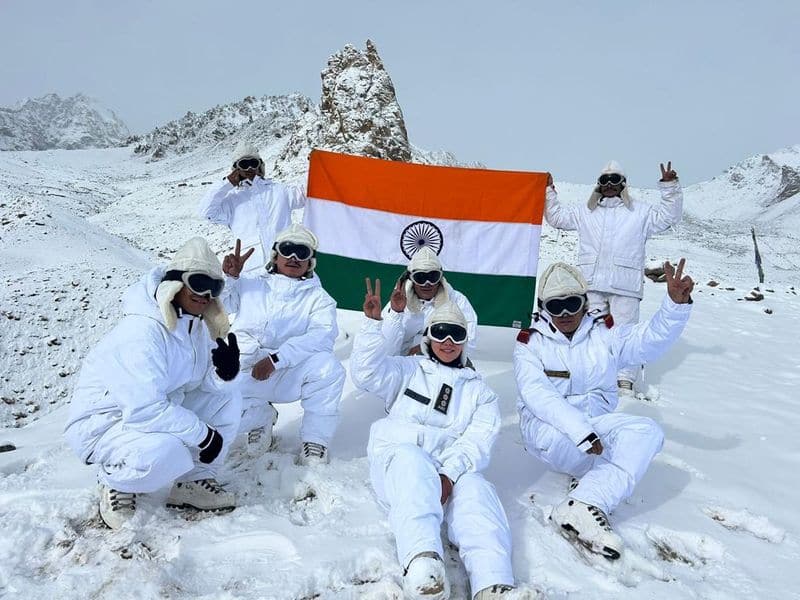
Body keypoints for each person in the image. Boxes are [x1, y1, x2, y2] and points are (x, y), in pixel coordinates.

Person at [513, 259, 694, 559]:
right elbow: (539, 396)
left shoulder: (604, 334)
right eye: (556, 307)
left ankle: (584, 501)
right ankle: (593, 478)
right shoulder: (531, 344)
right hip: (550, 431)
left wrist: (675, 306)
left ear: (584, 301)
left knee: (648, 432)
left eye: (573, 303)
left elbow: (646, 342)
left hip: (597, 424)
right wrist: (581, 431)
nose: (567, 313)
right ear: (544, 307)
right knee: (612, 455)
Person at [353, 282, 521, 600]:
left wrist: (449, 473)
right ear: (428, 336)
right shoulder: (407, 370)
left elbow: (478, 440)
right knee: (412, 462)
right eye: (440, 332)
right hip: (399, 461)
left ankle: (494, 583)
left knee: (477, 489)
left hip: (448, 467)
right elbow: (365, 374)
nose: (447, 341)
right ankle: (423, 566)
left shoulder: (479, 392)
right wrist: (377, 324)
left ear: (464, 341)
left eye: (455, 334)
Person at [64, 238, 242, 530]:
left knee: (229, 398)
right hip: (104, 425)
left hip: (155, 411)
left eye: (215, 287)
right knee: (168, 450)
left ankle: (192, 482)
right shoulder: (142, 331)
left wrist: (222, 373)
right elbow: (145, 408)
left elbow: (194, 383)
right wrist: (203, 435)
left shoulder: (192, 325)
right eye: (198, 283)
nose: (206, 294)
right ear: (175, 283)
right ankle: (114, 482)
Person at [544, 161, 683, 394]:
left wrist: (670, 187)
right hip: (591, 283)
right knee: (591, 332)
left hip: (625, 285)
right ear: (598, 184)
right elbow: (557, 218)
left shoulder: (641, 212)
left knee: (625, 333)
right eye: (604, 180)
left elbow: (669, 217)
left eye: (615, 179)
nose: (609, 184)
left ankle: (624, 380)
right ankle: (593, 375)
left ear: (623, 184)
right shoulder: (584, 212)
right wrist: (549, 191)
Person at [221, 224, 345, 465]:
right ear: (275, 256)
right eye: (288, 250)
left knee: (329, 369)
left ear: (310, 262)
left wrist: (276, 359)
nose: (294, 257)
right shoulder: (249, 284)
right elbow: (220, 308)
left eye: (302, 252)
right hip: (244, 370)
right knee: (216, 401)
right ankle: (260, 418)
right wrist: (230, 279)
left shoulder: (319, 299)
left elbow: (322, 336)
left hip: (287, 371)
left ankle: (316, 441)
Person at [199, 141, 306, 272]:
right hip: (252, 270)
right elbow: (207, 212)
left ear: (259, 165)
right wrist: (227, 184)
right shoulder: (232, 200)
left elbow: (306, 194)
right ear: (236, 168)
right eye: (244, 164)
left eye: (253, 163)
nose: (249, 168)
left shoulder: (278, 190)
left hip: (284, 264)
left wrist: (316, 166)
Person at [381, 246, 478, 357]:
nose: (427, 283)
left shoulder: (457, 301)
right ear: (411, 279)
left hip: (442, 363)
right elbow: (385, 348)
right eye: (420, 277)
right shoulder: (400, 302)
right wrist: (395, 313)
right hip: (403, 364)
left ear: (440, 278)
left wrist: (427, 349)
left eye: (433, 277)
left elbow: (469, 342)